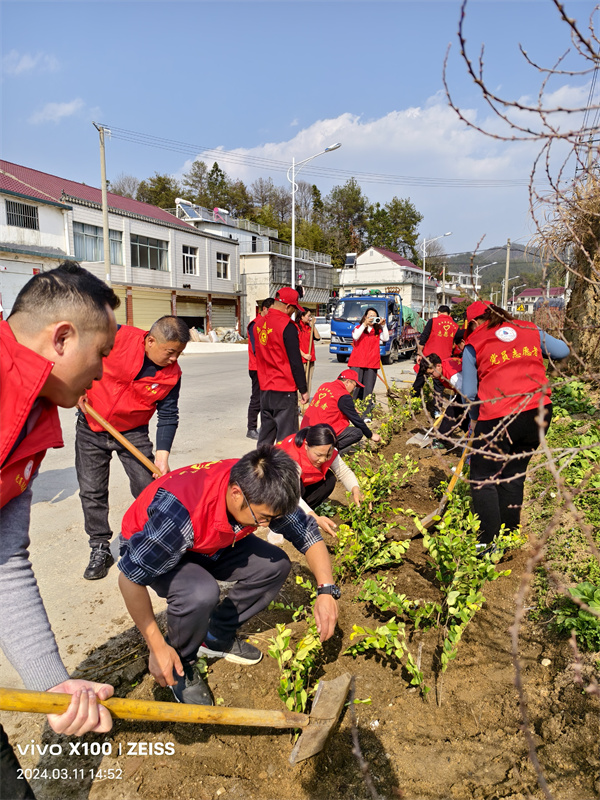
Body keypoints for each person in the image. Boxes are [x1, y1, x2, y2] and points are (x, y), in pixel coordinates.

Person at [0, 262, 118, 800]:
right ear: (62, 339)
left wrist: (54, 685)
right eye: (101, 355)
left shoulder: (32, 415)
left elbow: (5, 560)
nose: (102, 372)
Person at [117, 447, 340, 706]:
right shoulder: (177, 517)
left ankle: (215, 637)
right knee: (200, 592)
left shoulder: (263, 485)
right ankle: (180, 660)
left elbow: (307, 535)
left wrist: (326, 590)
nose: (266, 525)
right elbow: (130, 578)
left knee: (275, 566)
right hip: (152, 545)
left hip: (205, 541)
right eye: (264, 518)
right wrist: (156, 647)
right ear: (236, 495)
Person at [75, 315, 190, 580]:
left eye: (180, 354)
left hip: (133, 432)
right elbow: (81, 352)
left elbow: (168, 416)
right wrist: (78, 386)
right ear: (150, 341)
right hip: (92, 424)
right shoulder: (116, 337)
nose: (174, 359)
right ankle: (100, 547)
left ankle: (147, 541)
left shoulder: (172, 375)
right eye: (171, 352)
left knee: (147, 490)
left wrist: (162, 458)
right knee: (92, 490)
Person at [461, 300, 570, 551]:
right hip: (538, 411)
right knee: (513, 475)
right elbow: (562, 351)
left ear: (475, 322)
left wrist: (475, 421)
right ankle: (508, 536)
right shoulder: (529, 328)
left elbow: (469, 391)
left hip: (500, 415)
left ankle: (486, 544)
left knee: (482, 477)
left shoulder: (475, 341)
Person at [277, 424, 362, 536]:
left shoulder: (327, 449)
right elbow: (293, 497)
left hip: (294, 488)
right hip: (275, 490)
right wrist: (316, 518)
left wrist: (355, 490)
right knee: (297, 492)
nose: (322, 459)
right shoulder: (292, 460)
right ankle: (280, 520)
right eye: (318, 455)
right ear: (307, 445)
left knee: (329, 480)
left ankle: (300, 515)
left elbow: (344, 472)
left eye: (327, 455)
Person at [254, 287, 308, 446]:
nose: (292, 313)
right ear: (287, 306)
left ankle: (260, 469)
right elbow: (295, 361)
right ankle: (284, 471)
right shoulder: (288, 326)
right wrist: (303, 389)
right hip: (284, 389)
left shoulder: (259, 323)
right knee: (287, 441)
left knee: (265, 437)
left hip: (265, 388)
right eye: (293, 309)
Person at [301, 370, 382, 453]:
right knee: (357, 433)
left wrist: (350, 408)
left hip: (305, 431)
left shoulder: (325, 385)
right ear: (347, 382)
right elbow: (356, 420)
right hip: (320, 434)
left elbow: (331, 405)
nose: (354, 389)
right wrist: (371, 435)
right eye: (354, 386)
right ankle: (329, 452)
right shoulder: (343, 395)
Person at [347, 307, 389, 417]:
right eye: (369, 315)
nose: (371, 318)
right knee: (354, 389)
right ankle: (351, 414)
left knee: (368, 390)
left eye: (374, 316)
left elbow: (386, 338)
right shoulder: (358, 328)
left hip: (372, 363)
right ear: (365, 317)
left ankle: (366, 414)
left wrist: (384, 325)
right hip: (357, 362)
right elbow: (355, 336)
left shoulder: (377, 330)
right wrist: (364, 324)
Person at [412, 305, 458, 400]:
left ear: (438, 312)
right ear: (449, 314)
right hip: (442, 361)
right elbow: (455, 345)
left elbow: (423, 338)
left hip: (428, 359)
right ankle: (437, 410)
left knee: (419, 382)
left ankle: (411, 403)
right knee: (438, 387)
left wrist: (419, 354)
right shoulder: (455, 326)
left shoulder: (433, 321)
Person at [424, 353, 469, 447]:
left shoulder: (452, 376)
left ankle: (442, 440)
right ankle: (467, 435)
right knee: (457, 414)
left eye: (432, 373)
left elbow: (466, 393)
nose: (431, 376)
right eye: (429, 374)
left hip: (469, 392)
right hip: (465, 388)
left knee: (452, 412)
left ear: (438, 365)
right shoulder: (444, 364)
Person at [246, 298, 274, 440]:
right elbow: (257, 348)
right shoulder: (255, 325)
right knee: (257, 398)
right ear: (264, 309)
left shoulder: (267, 324)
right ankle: (251, 428)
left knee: (266, 399)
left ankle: (265, 427)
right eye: (271, 310)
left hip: (267, 367)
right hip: (257, 367)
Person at [296, 308, 320, 394]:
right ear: (302, 316)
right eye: (308, 316)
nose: (310, 317)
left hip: (310, 358)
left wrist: (313, 326)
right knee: (301, 381)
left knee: (308, 381)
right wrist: (303, 355)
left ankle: (306, 401)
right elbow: (294, 345)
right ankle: (299, 401)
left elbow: (317, 337)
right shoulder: (296, 327)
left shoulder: (309, 327)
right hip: (301, 359)